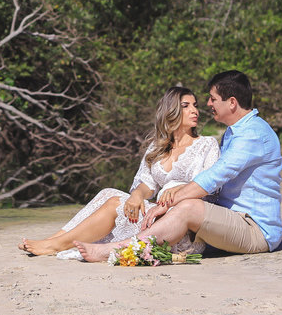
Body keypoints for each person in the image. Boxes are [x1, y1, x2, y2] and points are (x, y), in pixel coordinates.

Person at [76, 70, 282, 262]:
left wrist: (165, 204)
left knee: (188, 207)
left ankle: (117, 250)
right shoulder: (234, 131)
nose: (208, 103)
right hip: (230, 221)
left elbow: (214, 177)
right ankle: (66, 241)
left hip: (255, 229)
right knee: (119, 198)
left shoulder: (252, 134)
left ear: (232, 103)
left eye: (213, 98)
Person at [18, 85, 219, 257]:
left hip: (181, 228)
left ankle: (56, 245)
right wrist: (137, 195)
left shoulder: (207, 144)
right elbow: (147, 183)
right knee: (107, 193)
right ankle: (53, 240)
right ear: (171, 111)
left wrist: (179, 190)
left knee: (114, 202)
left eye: (195, 106)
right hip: (156, 214)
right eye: (186, 106)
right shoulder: (158, 147)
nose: (195, 111)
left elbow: (212, 188)